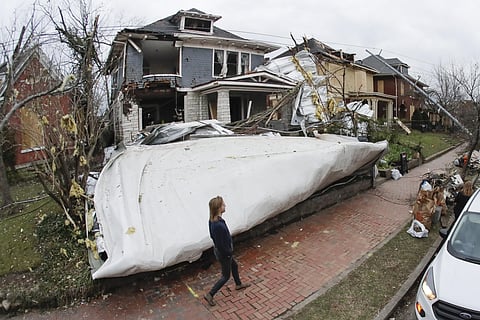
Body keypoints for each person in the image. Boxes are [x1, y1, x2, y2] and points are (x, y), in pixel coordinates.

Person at [204, 196, 250, 306]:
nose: (225, 206)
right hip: (224, 253)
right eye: (223, 205)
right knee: (225, 276)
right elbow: (220, 244)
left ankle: (238, 284)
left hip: (222, 252)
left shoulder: (213, 221)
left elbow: (212, 236)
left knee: (234, 266)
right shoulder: (218, 225)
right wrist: (228, 252)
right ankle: (210, 294)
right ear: (219, 208)